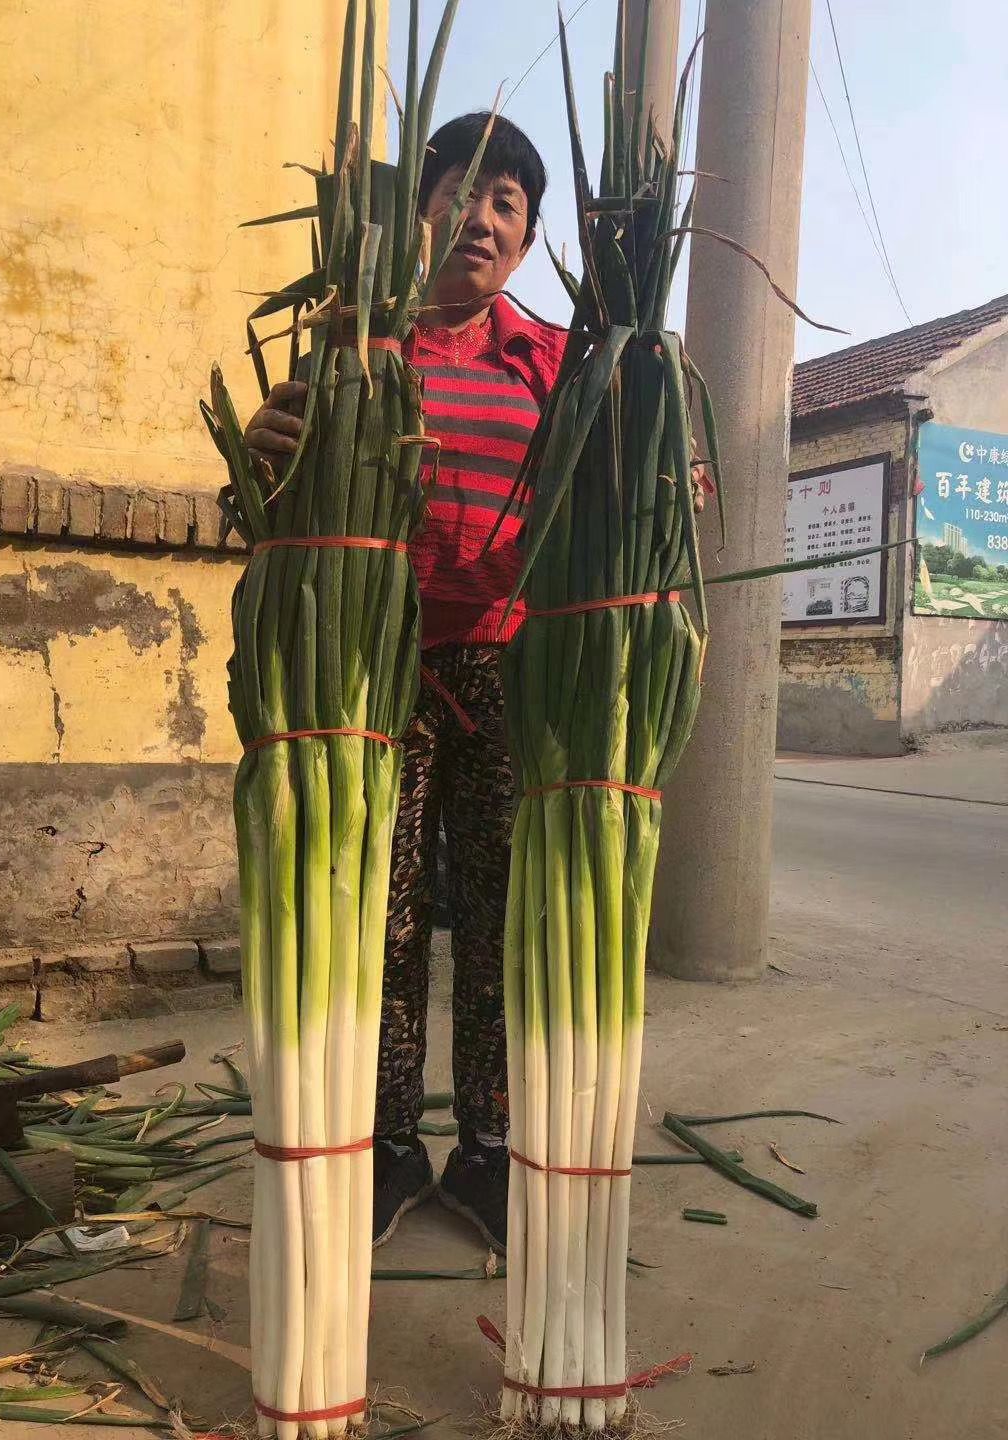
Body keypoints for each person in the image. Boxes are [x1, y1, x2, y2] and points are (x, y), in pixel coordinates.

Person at [245, 113, 706, 1254]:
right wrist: (263, 455)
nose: (484, 217)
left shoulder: (555, 364)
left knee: (507, 918)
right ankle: (389, 1144)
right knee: (381, 916)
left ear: (527, 236)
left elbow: (625, 489)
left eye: (510, 202)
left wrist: (669, 474)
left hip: (513, 669)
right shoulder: (356, 355)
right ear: (420, 213)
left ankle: (491, 1147)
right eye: (465, 191)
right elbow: (271, 517)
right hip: (371, 669)